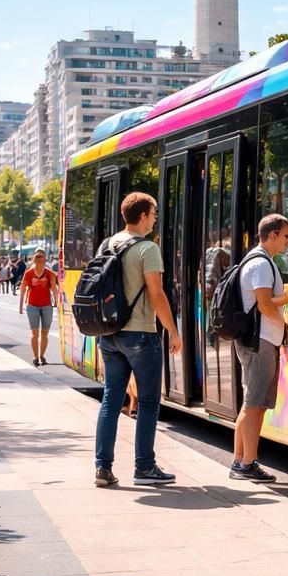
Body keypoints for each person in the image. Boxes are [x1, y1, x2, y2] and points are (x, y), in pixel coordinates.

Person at [93, 192, 182, 488]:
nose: (156, 218)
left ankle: (102, 468)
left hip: (109, 333)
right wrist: (173, 330)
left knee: (111, 399)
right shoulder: (148, 249)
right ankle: (144, 467)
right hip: (141, 334)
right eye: (154, 213)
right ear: (143, 216)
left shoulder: (108, 243)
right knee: (147, 402)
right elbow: (157, 294)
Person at [230, 214, 288, 483]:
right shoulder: (261, 265)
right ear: (271, 235)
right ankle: (247, 463)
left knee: (253, 404)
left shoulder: (259, 261)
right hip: (260, 342)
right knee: (254, 404)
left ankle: (240, 461)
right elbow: (265, 304)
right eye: (286, 236)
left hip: (259, 341)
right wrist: (286, 314)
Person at [19, 249, 60, 366]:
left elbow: (54, 289)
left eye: (42, 261)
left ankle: (42, 355)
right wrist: (21, 306)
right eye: (37, 261)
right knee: (35, 333)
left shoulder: (50, 273)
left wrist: (57, 303)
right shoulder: (28, 273)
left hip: (46, 305)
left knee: (45, 333)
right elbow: (23, 289)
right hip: (32, 305)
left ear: (45, 261)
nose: (39, 264)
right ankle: (35, 356)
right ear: (34, 262)